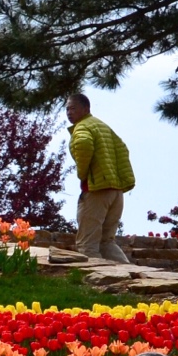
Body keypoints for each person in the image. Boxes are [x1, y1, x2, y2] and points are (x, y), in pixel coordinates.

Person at [67, 93, 135, 264]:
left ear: (86, 109)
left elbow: (83, 144)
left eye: (73, 108)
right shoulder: (103, 126)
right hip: (115, 192)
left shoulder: (82, 127)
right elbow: (123, 150)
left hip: (97, 190)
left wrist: (83, 174)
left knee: (87, 244)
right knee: (107, 242)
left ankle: (94, 283)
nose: (69, 112)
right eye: (67, 109)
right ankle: (128, 275)